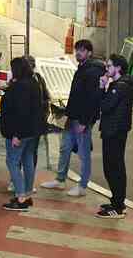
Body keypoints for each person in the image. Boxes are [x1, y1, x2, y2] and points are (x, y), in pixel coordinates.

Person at [40, 39, 104, 197]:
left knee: (83, 153)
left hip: (82, 120)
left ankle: (82, 186)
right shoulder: (82, 68)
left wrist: (85, 121)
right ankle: (60, 180)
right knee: (65, 148)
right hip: (72, 117)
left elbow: (93, 99)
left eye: (82, 50)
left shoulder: (93, 71)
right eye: (77, 50)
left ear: (89, 52)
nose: (78, 53)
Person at [0, 56, 45, 211]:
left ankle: (20, 197)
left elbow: (21, 112)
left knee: (12, 162)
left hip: (20, 131)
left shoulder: (20, 87)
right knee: (27, 160)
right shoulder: (33, 83)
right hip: (33, 131)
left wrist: (16, 135)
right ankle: (27, 193)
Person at [97, 54, 133, 218]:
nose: (106, 69)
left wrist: (101, 88)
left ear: (118, 67)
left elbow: (105, 106)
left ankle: (118, 207)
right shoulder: (120, 84)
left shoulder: (120, 87)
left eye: (109, 66)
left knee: (114, 168)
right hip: (114, 130)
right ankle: (116, 201)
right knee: (112, 167)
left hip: (114, 131)